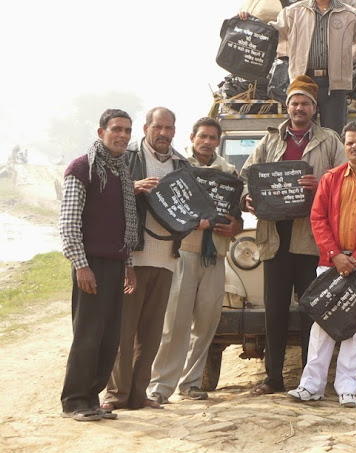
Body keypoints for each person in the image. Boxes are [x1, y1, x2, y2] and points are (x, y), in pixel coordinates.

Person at [240, 75, 346, 396]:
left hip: (312, 238)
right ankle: (273, 378)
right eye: (294, 103)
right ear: (287, 107)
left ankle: (308, 378)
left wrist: (322, 184)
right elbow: (248, 175)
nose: (299, 108)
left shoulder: (330, 141)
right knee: (274, 310)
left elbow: (346, 179)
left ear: (315, 108)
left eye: (305, 103)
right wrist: (247, 195)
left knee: (311, 310)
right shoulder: (269, 141)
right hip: (274, 237)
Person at [288, 120, 356, 407]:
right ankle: (310, 385)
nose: (354, 146)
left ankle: (347, 387)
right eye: (349, 142)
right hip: (331, 262)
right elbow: (318, 218)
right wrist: (336, 255)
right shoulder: (331, 178)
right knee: (322, 323)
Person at [147, 117, 242, 404]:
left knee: (207, 321)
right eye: (203, 136)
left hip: (216, 254)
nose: (207, 142)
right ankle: (161, 386)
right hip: (184, 250)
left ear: (219, 141)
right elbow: (167, 207)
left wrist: (235, 227)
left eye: (213, 138)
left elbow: (236, 215)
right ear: (192, 137)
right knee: (174, 322)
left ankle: (191, 382)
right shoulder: (178, 167)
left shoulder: (229, 172)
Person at [102, 107, 188, 411]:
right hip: (133, 258)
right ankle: (116, 396)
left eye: (169, 128)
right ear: (146, 128)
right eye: (158, 127)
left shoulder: (181, 163)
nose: (163, 133)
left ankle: (138, 396)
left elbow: (187, 206)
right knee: (124, 333)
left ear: (175, 131)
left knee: (151, 336)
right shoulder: (128, 158)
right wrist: (133, 188)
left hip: (166, 258)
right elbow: (104, 198)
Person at [59, 109, 138, 421]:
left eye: (127, 130)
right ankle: (74, 401)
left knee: (108, 337)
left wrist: (128, 263)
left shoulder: (121, 171)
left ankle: (91, 399)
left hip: (116, 264)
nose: (122, 135)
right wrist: (81, 265)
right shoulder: (82, 168)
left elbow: (124, 224)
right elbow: (68, 223)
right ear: (101, 131)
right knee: (87, 335)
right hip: (90, 264)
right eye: (116, 129)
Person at [240, 1, 356, 134]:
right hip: (303, 82)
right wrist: (248, 21)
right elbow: (270, 33)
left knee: (334, 135)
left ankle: (331, 173)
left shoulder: (351, 14)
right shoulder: (293, 12)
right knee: (300, 133)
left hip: (336, 85)